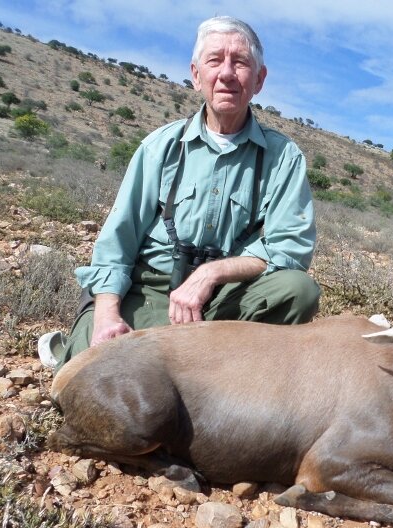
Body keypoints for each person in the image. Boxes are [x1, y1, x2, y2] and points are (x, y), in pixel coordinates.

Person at [39, 16, 320, 370]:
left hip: (226, 298)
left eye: (241, 62)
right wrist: (108, 313)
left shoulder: (284, 157)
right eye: (215, 60)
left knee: (298, 290)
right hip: (150, 289)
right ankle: (77, 348)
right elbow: (117, 243)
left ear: (259, 80)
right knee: (89, 377)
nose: (228, 73)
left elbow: (289, 252)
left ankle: (227, 374)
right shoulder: (160, 146)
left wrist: (211, 274)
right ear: (196, 74)